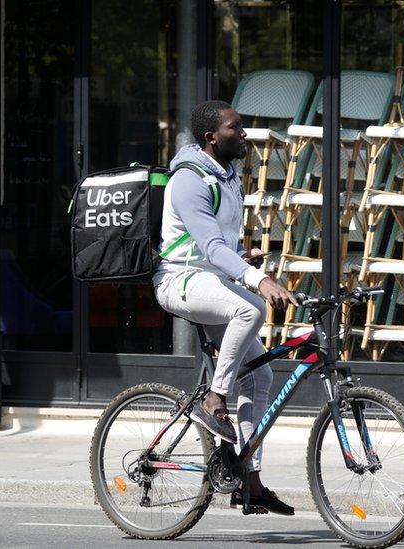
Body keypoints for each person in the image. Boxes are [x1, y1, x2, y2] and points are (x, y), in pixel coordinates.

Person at [153, 99, 298, 515]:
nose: (245, 134)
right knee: (252, 308)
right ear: (211, 137)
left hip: (212, 280)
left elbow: (222, 245)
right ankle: (216, 398)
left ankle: (248, 480)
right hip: (178, 281)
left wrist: (243, 256)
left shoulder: (228, 175)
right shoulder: (190, 180)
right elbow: (210, 247)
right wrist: (260, 279)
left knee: (261, 375)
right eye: (236, 128)